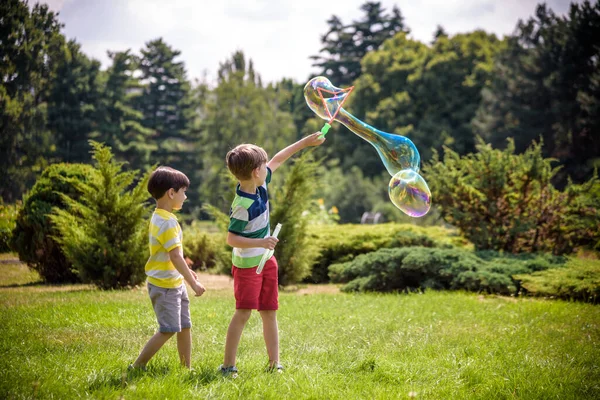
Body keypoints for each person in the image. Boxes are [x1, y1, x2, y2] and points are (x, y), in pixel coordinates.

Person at [219, 132, 325, 377]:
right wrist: (261, 241)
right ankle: (228, 366)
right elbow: (231, 239)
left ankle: (273, 363)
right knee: (243, 312)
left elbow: (279, 158)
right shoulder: (241, 206)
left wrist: (304, 143)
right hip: (248, 265)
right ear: (256, 171)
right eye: (263, 165)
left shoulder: (261, 183)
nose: (268, 167)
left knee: (269, 311)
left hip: (267, 261)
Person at [130, 166, 206, 370]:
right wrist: (194, 283)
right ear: (171, 193)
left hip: (173, 283)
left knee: (184, 327)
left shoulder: (162, 217)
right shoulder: (166, 223)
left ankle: (186, 368)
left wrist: (186, 273)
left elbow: (174, 256)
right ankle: (138, 365)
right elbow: (174, 255)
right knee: (168, 329)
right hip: (164, 287)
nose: (186, 196)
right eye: (183, 191)